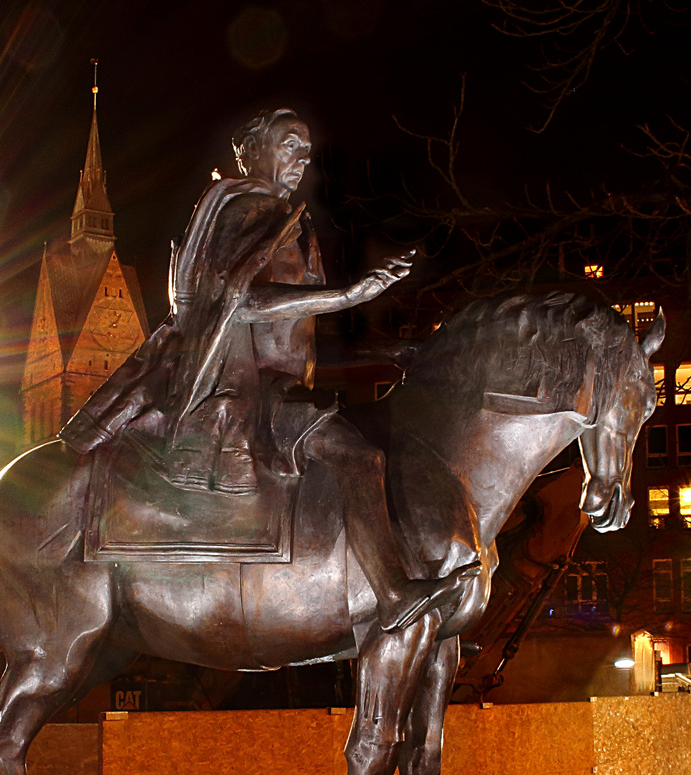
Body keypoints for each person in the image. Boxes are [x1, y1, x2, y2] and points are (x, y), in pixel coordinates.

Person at [62, 108, 473, 631]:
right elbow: (239, 302)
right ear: (253, 150)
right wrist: (348, 294)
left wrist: (393, 350)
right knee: (360, 459)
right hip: (253, 391)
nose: (301, 158)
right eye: (289, 144)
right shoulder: (249, 206)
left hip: (280, 384)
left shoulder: (287, 221)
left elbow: (297, 339)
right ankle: (391, 594)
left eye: (305, 148)